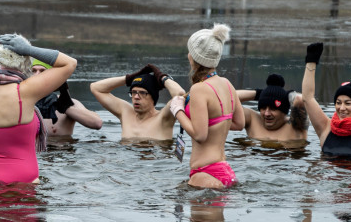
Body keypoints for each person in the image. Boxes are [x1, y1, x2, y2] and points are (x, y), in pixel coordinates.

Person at [0, 34, 77, 184]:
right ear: (24, 61)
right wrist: (28, 49)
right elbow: (70, 63)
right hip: (20, 177)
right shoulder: (25, 92)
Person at [168, 23, 245, 189]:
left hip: (205, 173)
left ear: (194, 57)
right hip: (225, 171)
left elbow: (200, 135)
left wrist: (177, 110)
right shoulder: (226, 84)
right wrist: (211, 122)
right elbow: (239, 124)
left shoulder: (199, 89)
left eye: (190, 51)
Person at [90, 63, 185, 140]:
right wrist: (130, 78)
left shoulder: (163, 118)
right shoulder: (125, 113)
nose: (136, 97)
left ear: (153, 97)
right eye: (133, 92)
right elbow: (96, 88)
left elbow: (180, 95)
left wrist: (162, 78)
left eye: (142, 93)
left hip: (155, 162)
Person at [30, 61, 102, 137]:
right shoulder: (22, 102)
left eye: (42, 71)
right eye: (34, 71)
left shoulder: (70, 103)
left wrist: (64, 106)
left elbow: (97, 123)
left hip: (61, 147)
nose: (37, 74)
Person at [235, 74, 307, 142]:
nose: (267, 113)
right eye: (263, 108)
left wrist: (287, 96)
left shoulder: (296, 125)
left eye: (273, 109)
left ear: (284, 111)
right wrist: (258, 94)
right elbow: (227, 99)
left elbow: (300, 100)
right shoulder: (252, 120)